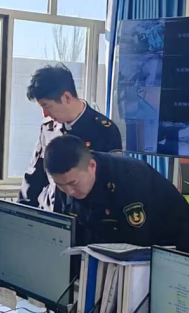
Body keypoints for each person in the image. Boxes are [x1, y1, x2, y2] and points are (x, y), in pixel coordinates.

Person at [45, 134, 189, 252]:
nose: (69, 191)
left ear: (92, 166)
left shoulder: (130, 179)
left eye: (73, 183)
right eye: (61, 185)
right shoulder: (65, 180)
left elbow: (135, 247)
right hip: (111, 243)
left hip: (166, 244)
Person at [19, 64, 122, 211]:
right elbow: (35, 175)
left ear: (66, 97)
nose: (45, 114)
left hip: (84, 218)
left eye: (47, 106)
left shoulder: (104, 131)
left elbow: (110, 184)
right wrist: (20, 212)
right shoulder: (48, 128)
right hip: (49, 213)